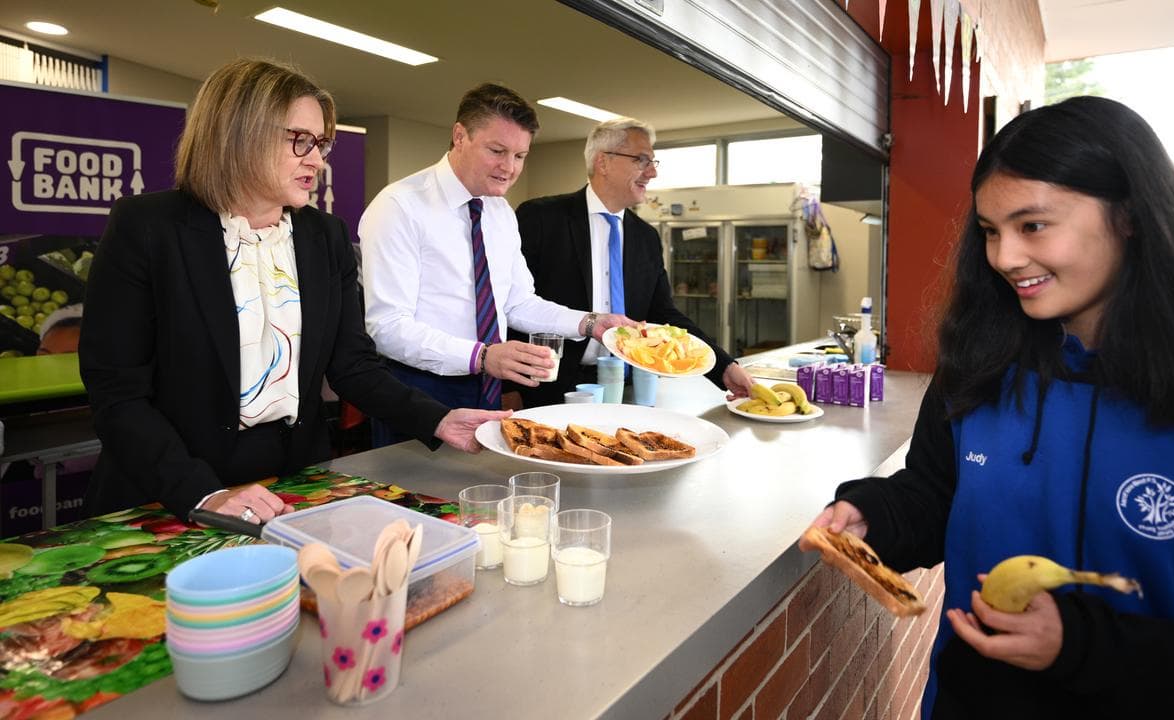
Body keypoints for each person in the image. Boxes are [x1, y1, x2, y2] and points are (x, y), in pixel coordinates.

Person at [800, 96, 1174, 718]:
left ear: (1131, 215)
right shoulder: (981, 360)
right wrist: (873, 516)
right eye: (990, 232)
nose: (1004, 258)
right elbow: (936, 492)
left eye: (1032, 226)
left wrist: (1080, 646)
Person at [79, 58, 508, 525]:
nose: (317, 160)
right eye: (299, 140)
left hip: (293, 482)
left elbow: (353, 365)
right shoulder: (147, 228)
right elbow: (117, 394)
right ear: (237, 133)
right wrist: (202, 493)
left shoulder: (323, 236)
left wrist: (437, 419)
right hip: (172, 491)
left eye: (321, 143)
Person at [359, 83, 632, 433]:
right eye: (497, 151)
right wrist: (483, 356)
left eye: (520, 156)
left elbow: (518, 303)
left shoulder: (500, 211)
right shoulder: (399, 206)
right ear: (460, 136)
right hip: (418, 392)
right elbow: (387, 328)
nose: (509, 168)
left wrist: (591, 323)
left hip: (487, 386)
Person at [514, 117, 753, 407]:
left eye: (653, 162)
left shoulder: (646, 237)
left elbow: (664, 315)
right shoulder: (541, 219)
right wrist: (504, 389)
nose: (652, 172)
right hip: (548, 389)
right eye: (642, 160)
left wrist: (725, 367)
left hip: (628, 387)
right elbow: (512, 303)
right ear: (603, 162)